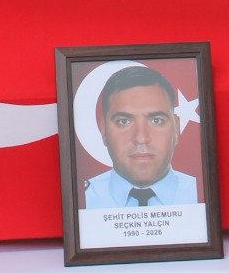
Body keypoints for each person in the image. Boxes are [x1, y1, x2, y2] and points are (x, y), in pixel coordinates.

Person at [81, 66, 199, 210]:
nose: (141, 138)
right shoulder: (82, 199)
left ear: (176, 128)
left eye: (156, 120)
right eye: (123, 121)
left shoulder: (200, 194)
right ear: (104, 131)